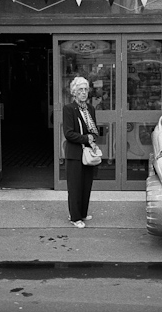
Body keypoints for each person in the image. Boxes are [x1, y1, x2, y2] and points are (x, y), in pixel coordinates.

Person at [63, 77, 99, 228]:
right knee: (75, 186)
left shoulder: (90, 109)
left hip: (88, 153)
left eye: (85, 90)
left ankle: (83, 213)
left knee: (86, 184)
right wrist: (86, 138)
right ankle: (75, 217)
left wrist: (93, 138)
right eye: (80, 90)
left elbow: (94, 131)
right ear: (74, 92)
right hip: (75, 154)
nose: (84, 93)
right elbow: (68, 133)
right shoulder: (69, 109)